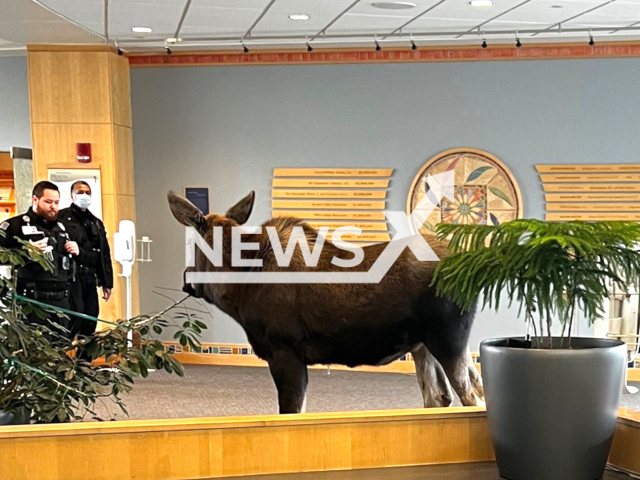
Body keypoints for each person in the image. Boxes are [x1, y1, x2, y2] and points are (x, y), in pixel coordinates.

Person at [0, 181, 79, 333]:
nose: (53, 207)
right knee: (34, 352)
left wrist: (76, 250)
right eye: (48, 202)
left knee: (59, 349)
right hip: (30, 301)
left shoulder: (62, 228)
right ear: (35, 200)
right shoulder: (14, 226)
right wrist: (25, 253)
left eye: (56, 202)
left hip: (61, 301)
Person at [59, 181, 113, 340]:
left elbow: (104, 254)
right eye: (80, 192)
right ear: (72, 196)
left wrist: (107, 282)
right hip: (71, 277)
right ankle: (59, 358)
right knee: (75, 316)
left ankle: (84, 363)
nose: (84, 196)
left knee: (91, 318)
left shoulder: (95, 222)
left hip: (90, 277)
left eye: (87, 192)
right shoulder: (61, 218)